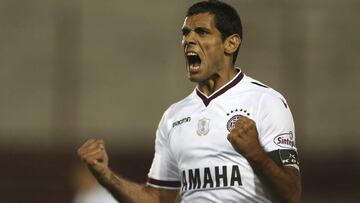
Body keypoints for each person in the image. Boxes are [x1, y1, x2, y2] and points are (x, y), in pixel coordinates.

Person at [77, 0, 302, 202]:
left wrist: (256, 153)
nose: (189, 40)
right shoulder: (174, 116)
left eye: (202, 32)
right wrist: (106, 176)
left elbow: (291, 195)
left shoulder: (265, 101)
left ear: (230, 44)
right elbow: (156, 198)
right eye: (186, 33)